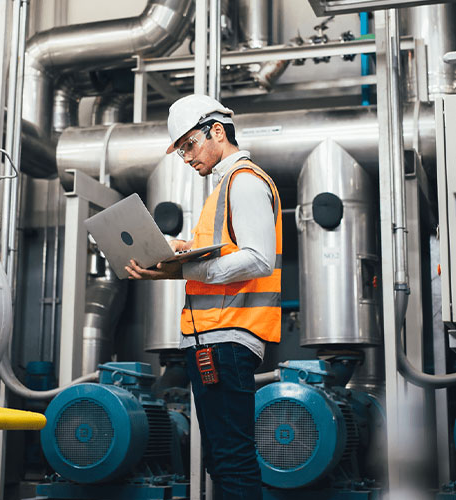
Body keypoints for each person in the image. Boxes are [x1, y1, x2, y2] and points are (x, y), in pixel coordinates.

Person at [125, 94, 282, 500]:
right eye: (180, 152)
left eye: (189, 145)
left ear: (216, 131)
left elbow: (259, 259)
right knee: (221, 458)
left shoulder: (244, 181)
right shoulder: (225, 188)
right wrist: (173, 254)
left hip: (228, 339)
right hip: (212, 340)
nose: (187, 158)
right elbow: (218, 258)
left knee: (231, 459)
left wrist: (184, 267)